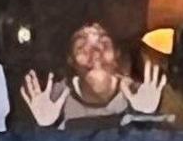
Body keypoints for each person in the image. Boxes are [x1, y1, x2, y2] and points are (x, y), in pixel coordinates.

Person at [20, 20, 170, 128]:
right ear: (71, 60)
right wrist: (46, 127)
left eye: (104, 43)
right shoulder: (52, 100)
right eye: (82, 47)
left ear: (117, 54)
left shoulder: (143, 93)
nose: (96, 53)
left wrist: (147, 114)